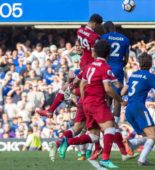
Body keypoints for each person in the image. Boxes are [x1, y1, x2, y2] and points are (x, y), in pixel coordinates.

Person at [40, 14, 103, 162]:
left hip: (83, 67)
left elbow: (80, 47)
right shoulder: (95, 37)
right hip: (89, 71)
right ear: (95, 23)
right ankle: (95, 151)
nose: (99, 27)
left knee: (78, 126)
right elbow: (94, 53)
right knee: (96, 128)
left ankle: (52, 119)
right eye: (98, 25)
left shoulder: (80, 31)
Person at [59, 40, 128, 168]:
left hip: (87, 103)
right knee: (111, 127)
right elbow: (108, 89)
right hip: (98, 103)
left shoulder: (89, 67)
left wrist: (84, 101)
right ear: (108, 54)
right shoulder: (105, 67)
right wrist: (121, 100)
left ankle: (67, 141)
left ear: (95, 52)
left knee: (94, 137)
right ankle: (106, 159)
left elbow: (82, 84)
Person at [121, 52, 155, 166]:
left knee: (152, 135)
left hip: (129, 109)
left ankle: (131, 144)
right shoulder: (149, 76)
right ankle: (141, 159)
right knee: (153, 136)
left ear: (139, 63)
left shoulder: (134, 74)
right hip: (139, 108)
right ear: (150, 63)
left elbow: (123, 92)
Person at [101, 21, 130, 123]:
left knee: (107, 95)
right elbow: (126, 59)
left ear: (105, 29)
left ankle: (107, 122)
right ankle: (116, 124)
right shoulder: (125, 39)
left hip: (106, 68)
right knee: (117, 97)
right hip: (118, 68)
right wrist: (119, 64)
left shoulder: (104, 37)